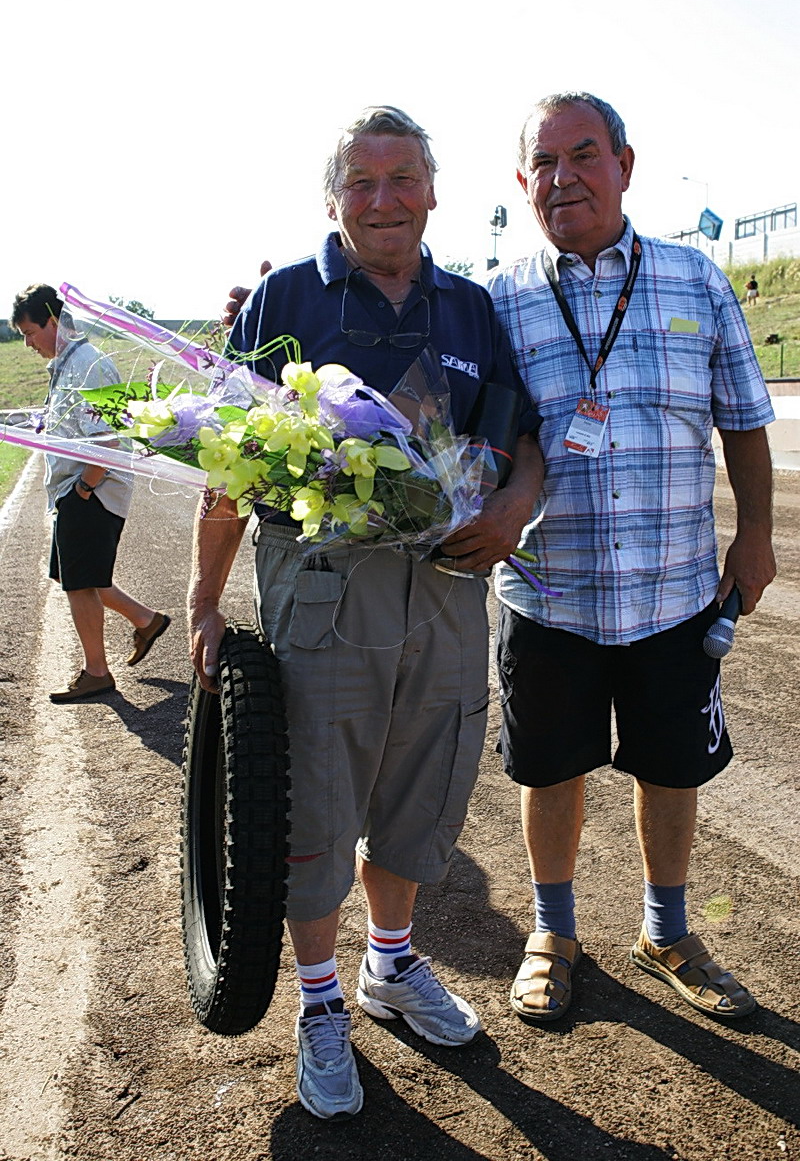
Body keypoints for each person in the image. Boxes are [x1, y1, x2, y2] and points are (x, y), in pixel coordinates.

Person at [187, 106, 541, 1120]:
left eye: (401, 180)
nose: (381, 200)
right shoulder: (283, 300)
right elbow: (228, 455)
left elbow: (513, 439)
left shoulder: (470, 308)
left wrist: (515, 505)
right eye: (360, 182)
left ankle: (389, 967)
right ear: (331, 197)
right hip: (324, 594)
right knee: (315, 803)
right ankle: (319, 1003)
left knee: (419, 791)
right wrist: (204, 599)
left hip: (444, 591)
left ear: (431, 189)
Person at [487, 92, 776, 1025]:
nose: (563, 176)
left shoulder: (696, 280)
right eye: (544, 162)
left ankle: (665, 929)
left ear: (625, 163)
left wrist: (758, 537)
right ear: (524, 181)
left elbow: (745, 425)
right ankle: (553, 930)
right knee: (549, 768)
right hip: (548, 593)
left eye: (584, 155)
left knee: (672, 767)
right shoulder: (499, 300)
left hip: (674, 588)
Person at [11, 284, 171, 702]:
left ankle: (96, 672)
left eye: (30, 332)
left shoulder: (88, 365)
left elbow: (107, 439)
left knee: (80, 583)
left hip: (90, 489)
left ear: (51, 321)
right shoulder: (68, 364)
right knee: (76, 574)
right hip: (77, 489)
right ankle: (145, 620)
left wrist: (84, 488)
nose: (28, 343)